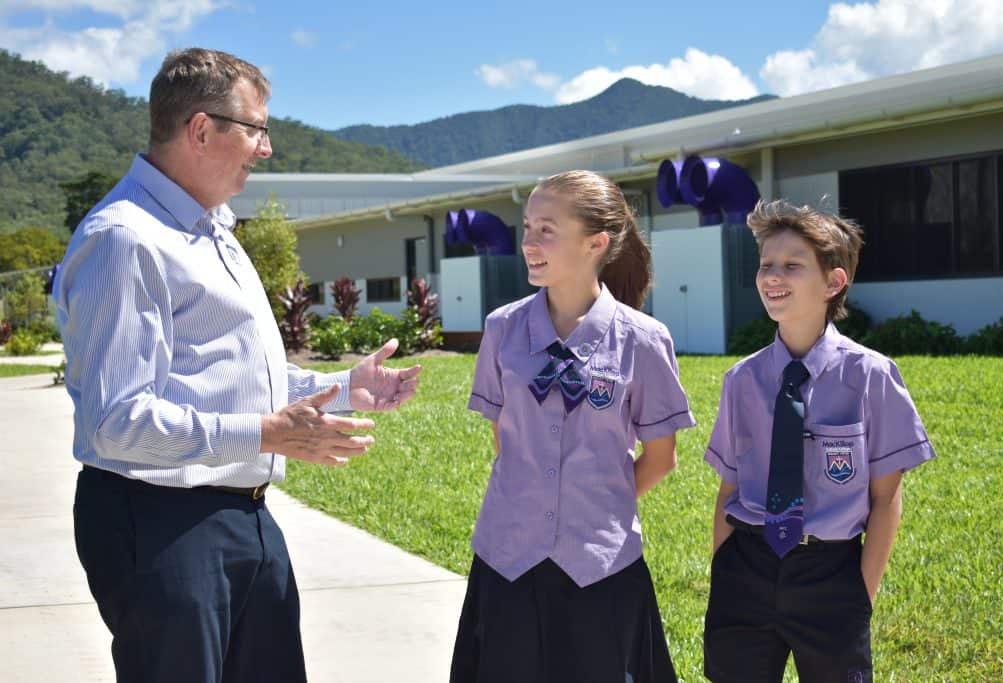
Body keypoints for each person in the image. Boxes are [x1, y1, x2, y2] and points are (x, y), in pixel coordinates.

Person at [55, 48, 421, 683]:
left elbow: (226, 376)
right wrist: (262, 434)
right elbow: (114, 420)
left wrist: (343, 389)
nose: (266, 148)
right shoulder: (126, 238)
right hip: (160, 523)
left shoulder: (214, 229)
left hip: (243, 513)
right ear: (202, 129)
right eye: (256, 129)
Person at [450, 170, 695, 683]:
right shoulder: (502, 330)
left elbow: (661, 456)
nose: (529, 243)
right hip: (507, 558)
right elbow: (504, 439)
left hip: (600, 566)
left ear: (595, 243)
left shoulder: (644, 340)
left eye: (547, 230)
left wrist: (597, 500)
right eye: (526, 228)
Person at [702, 200, 936, 682]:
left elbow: (885, 499)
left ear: (832, 282)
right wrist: (724, 571)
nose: (772, 275)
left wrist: (860, 596)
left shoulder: (870, 376)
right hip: (746, 568)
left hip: (831, 575)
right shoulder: (741, 381)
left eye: (792, 265)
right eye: (766, 264)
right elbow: (729, 489)